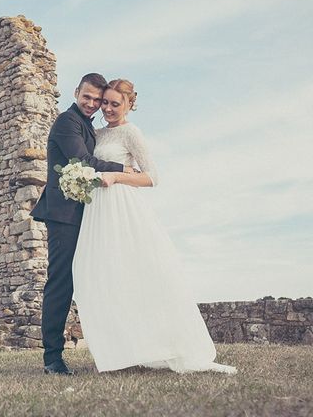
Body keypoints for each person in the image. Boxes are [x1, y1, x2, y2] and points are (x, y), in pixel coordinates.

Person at [72, 79, 237, 374]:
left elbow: (152, 177)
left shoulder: (131, 132)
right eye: (105, 102)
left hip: (122, 207)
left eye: (114, 104)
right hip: (97, 210)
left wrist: (117, 177)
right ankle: (122, 349)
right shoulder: (95, 134)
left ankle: (167, 345)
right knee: (104, 274)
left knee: (138, 272)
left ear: (129, 105)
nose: (107, 108)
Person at [30, 73, 135, 375]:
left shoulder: (87, 125)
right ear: (76, 92)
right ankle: (52, 359)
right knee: (61, 283)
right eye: (86, 97)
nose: (91, 104)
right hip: (64, 217)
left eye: (96, 100)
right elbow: (84, 162)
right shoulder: (67, 122)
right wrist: (123, 168)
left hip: (87, 216)